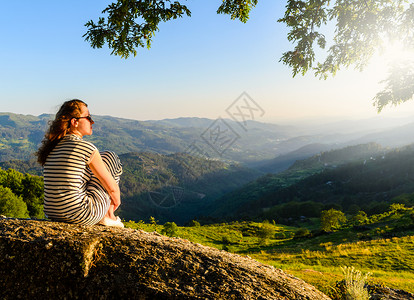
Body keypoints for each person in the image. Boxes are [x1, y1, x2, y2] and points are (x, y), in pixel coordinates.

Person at [37, 99, 124, 227]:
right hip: (82, 215)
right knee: (109, 157)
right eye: (88, 117)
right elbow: (112, 188)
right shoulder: (87, 148)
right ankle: (109, 216)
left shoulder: (52, 148)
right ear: (75, 122)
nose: (92, 121)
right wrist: (115, 201)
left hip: (53, 213)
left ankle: (106, 215)